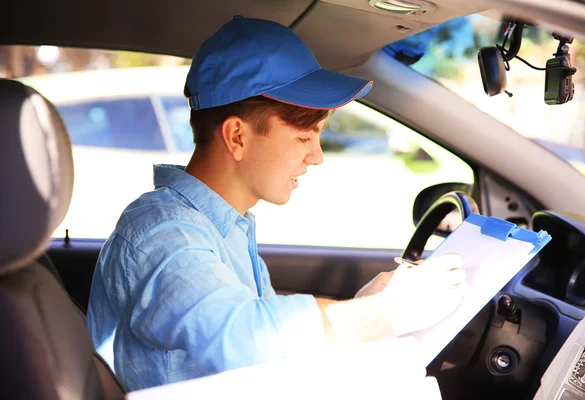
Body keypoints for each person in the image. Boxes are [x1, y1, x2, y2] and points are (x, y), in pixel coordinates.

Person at [86, 16, 468, 391]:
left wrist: (359, 306)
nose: (316, 156)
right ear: (237, 136)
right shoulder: (163, 233)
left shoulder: (227, 227)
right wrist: (384, 314)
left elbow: (267, 347)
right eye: (304, 138)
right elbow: (243, 339)